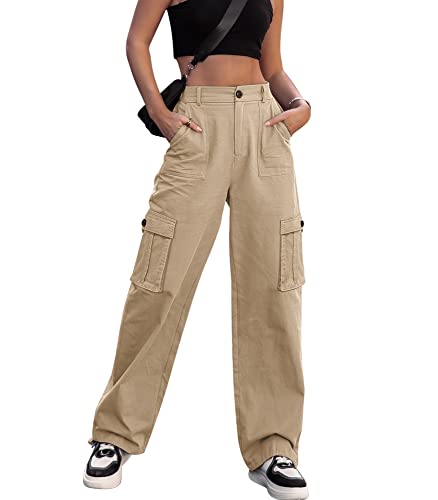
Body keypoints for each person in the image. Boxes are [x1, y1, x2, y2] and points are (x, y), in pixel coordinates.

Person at [83, 1, 311, 499]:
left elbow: (273, 67)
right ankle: (114, 434)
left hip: (264, 127)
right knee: (159, 280)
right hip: (197, 125)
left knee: (274, 288)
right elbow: (136, 41)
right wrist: (160, 113)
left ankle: (275, 447)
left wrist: (300, 105)